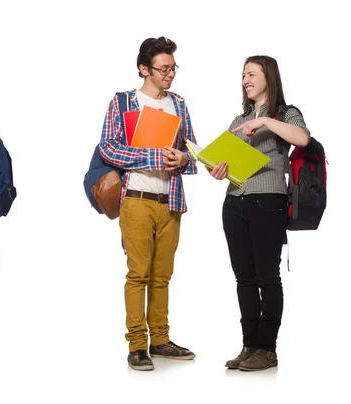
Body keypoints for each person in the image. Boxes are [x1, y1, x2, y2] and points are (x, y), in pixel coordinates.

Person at [98, 36, 198, 371]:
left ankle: (161, 340)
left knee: (163, 275)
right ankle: (137, 345)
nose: (170, 74)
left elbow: (195, 155)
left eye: (173, 68)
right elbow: (108, 149)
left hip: (170, 201)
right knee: (138, 273)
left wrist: (183, 157)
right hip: (137, 200)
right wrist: (154, 155)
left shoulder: (179, 104)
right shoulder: (124, 102)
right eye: (163, 68)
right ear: (144, 69)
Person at [208, 55, 310, 371]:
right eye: (243, 75)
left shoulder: (285, 114)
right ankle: (249, 345)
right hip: (234, 203)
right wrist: (217, 168)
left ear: (269, 77)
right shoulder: (238, 120)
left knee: (267, 276)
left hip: (268, 201)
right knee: (244, 278)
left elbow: (302, 139)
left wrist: (264, 121)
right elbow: (223, 160)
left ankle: (267, 349)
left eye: (252, 74)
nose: (245, 80)